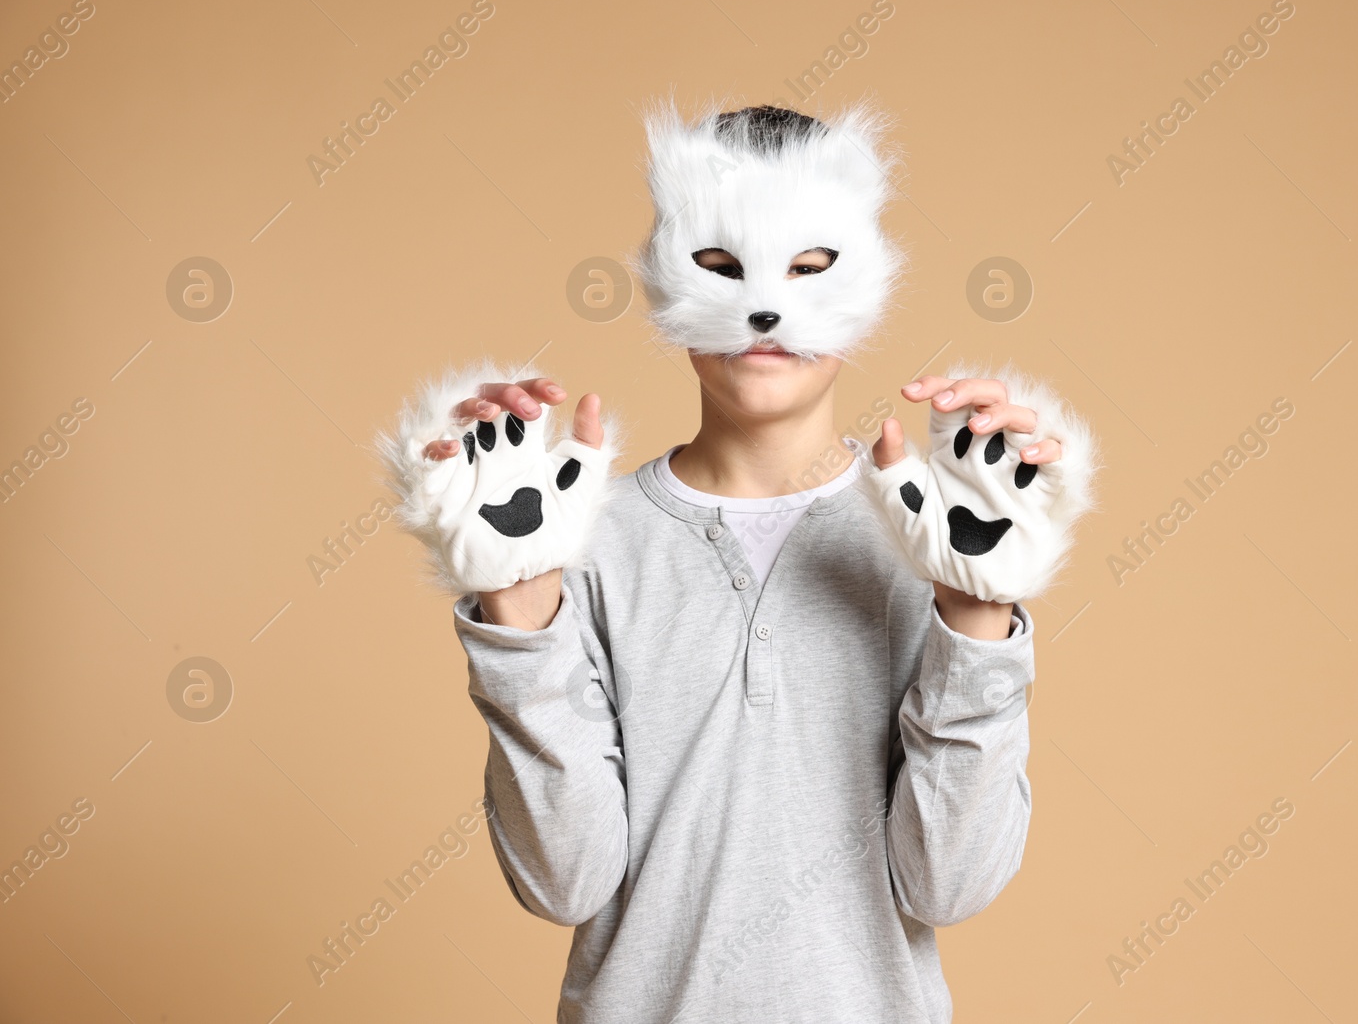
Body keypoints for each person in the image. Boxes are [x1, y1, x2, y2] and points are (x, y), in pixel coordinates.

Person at [379, 102, 1097, 1022]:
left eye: (809, 270)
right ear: (669, 284)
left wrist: (976, 611)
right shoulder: (580, 540)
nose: (767, 309)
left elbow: (947, 886)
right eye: (721, 268)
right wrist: (518, 603)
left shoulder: (939, 532)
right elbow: (564, 883)